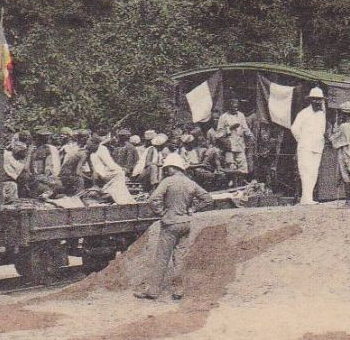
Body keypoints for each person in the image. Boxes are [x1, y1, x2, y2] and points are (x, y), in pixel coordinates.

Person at [135, 154, 211, 301]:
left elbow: (153, 199)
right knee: (180, 257)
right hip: (185, 223)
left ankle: (153, 291)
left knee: (162, 258)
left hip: (170, 223)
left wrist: (161, 212)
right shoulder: (190, 183)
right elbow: (207, 199)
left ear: (172, 167)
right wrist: (193, 208)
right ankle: (178, 291)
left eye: (167, 168)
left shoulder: (168, 182)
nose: (166, 170)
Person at [292, 87, 328, 204]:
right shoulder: (303, 113)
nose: (318, 102)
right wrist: (302, 140)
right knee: (305, 171)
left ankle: (309, 198)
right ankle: (305, 198)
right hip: (305, 147)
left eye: (319, 100)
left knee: (313, 172)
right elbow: (295, 129)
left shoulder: (321, 114)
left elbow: (322, 130)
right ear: (311, 100)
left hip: (317, 147)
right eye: (315, 100)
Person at [87, 132, 132, 204]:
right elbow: (110, 164)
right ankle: (114, 195)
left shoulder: (93, 151)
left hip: (99, 173)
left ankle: (110, 193)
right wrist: (121, 169)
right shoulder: (101, 149)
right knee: (120, 173)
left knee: (119, 173)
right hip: (102, 174)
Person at [216, 101, 254, 180]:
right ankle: (232, 185)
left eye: (236, 107)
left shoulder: (241, 115)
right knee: (231, 167)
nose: (235, 109)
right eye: (233, 107)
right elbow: (219, 134)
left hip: (240, 144)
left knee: (243, 167)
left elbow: (245, 128)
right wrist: (229, 129)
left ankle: (241, 184)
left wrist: (250, 135)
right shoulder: (223, 117)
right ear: (229, 107)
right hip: (229, 145)